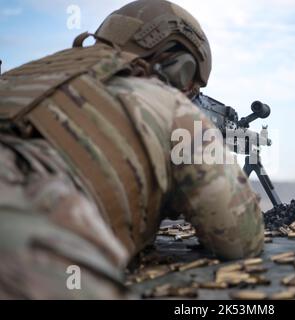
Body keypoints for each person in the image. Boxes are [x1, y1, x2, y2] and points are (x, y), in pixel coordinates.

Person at [0, 0, 264, 299]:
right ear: (182, 68)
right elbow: (241, 240)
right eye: (192, 86)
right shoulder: (169, 104)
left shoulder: (17, 77)